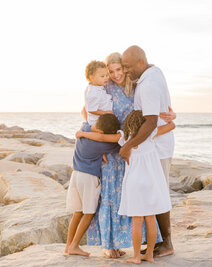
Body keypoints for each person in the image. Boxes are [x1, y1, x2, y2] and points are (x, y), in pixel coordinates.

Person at [82, 52, 175, 258]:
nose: (116, 75)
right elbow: (86, 112)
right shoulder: (103, 87)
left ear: (125, 68)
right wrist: (100, 148)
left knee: (132, 197)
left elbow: (153, 113)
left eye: (119, 69)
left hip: (133, 146)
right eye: (111, 71)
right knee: (109, 196)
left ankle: (146, 244)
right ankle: (109, 244)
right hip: (114, 147)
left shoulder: (135, 85)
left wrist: (171, 115)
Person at [120, 45, 175, 257]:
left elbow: (151, 122)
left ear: (141, 63)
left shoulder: (148, 84)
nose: (125, 71)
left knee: (158, 193)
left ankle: (167, 244)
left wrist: (126, 146)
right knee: (156, 192)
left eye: (128, 66)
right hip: (155, 145)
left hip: (157, 147)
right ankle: (159, 243)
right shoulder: (152, 72)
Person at [119, 110, 172, 264]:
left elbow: (108, 136)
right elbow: (171, 125)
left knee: (137, 220)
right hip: (150, 182)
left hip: (135, 183)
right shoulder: (151, 134)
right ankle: (149, 254)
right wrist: (169, 115)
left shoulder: (125, 139)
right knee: (150, 218)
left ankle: (136, 256)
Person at [65, 114, 121, 257]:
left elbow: (85, 116)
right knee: (89, 213)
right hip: (89, 178)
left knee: (77, 212)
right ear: (102, 134)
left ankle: (68, 246)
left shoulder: (84, 129)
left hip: (76, 175)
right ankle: (75, 246)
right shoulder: (103, 144)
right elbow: (118, 142)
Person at [84, 60, 113, 126]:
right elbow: (91, 110)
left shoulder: (97, 86)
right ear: (92, 78)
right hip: (97, 122)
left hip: (102, 120)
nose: (106, 78)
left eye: (107, 75)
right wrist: (105, 113)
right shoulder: (93, 92)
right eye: (102, 76)